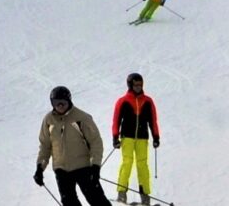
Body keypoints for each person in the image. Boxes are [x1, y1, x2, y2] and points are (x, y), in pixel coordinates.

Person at [34, 86, 111, 206]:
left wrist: (95, 166)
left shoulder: (82, 118)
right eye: (56, 102)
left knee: (96, 199)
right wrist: (40, 168)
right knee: (69, 202)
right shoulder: (49, 120)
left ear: (69, 101)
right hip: (62, 169)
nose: (59, 105)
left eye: (63, 102)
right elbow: (45, 146)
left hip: (84, 168)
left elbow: (96, 142)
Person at [112, 72, 161, 204]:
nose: (138, 87)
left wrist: (156, 136)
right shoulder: (123, 101)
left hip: (142, 138)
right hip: (127, 137)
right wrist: (115, 137)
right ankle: (121, 194)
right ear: (130, 85)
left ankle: (145, 196)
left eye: (140, 84)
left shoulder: (148, 101)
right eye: (136, 85)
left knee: (142, 165)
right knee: (127, 163)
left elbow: (153, 120)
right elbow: (116, 120)